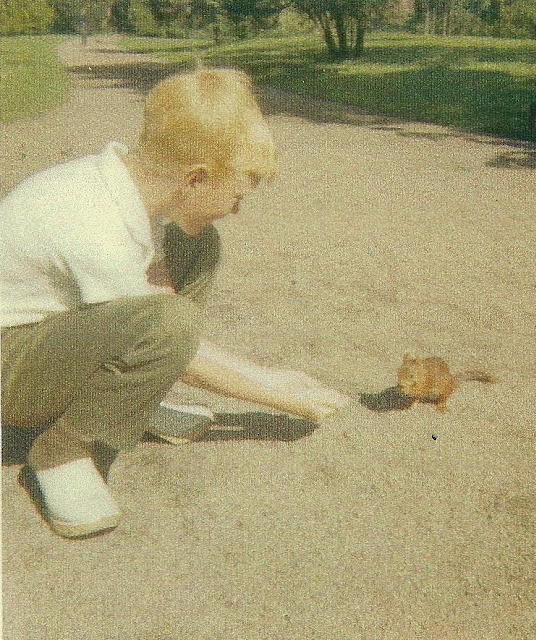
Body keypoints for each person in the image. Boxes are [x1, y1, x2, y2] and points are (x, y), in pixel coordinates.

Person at [0, 68, 351, 539]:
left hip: (43, 338)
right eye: (236, 195)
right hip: (8, 367)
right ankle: (61, 450)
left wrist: (264, 374)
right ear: (195, 178)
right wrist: (278, 393)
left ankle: (132, 402)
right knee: (170, 322)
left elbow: (156, 295)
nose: (236, 209)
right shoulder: (94, 226)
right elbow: (166, 328)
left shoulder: (130, 182)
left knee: (196, 246)